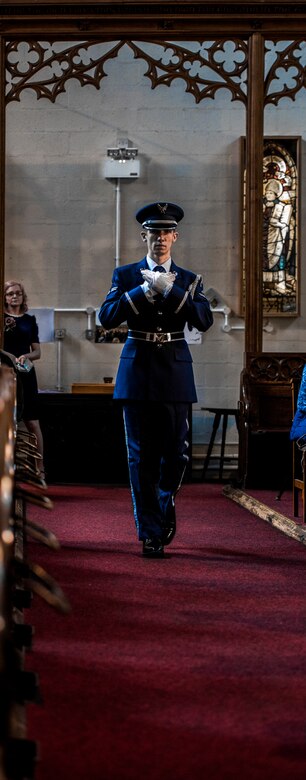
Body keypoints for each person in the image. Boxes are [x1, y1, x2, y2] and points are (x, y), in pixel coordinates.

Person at [99, 201, 213, 558]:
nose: (160, 239)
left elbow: (204, 320)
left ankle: (165, 504)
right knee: (140, 456)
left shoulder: (191, 280)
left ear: (175, 237)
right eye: (153, 233)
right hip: (137, 372)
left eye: (166, 232)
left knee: (176, 456)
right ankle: (149, 530)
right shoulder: (126, 275)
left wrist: (170, 290)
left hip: (175, 372)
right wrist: (144, 292)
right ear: (143, 237)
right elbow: (106, 317)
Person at [3, 280, 46, 482]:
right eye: (10, 293)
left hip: (26, 374)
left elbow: (37, 352)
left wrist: (25, 356)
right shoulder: (1, 318)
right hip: (4, 373)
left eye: (18, 293)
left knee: (32, 422)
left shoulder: (30, 320)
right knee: (7, 423)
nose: (14, 296)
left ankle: (40, 469)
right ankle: (7, 470)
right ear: (4, 297)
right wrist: (9, 356)